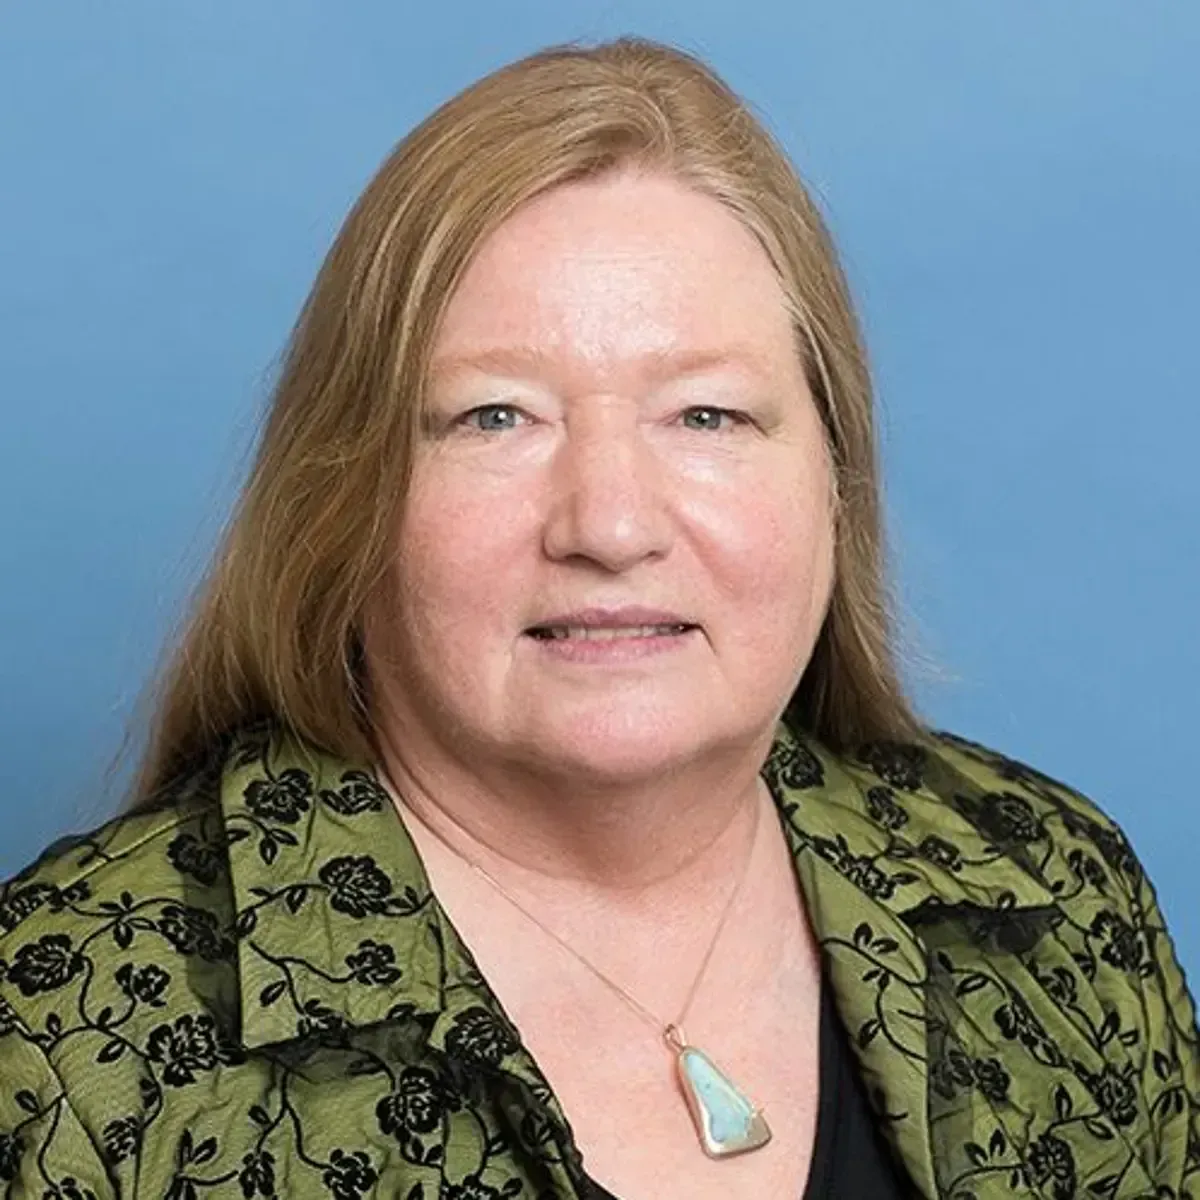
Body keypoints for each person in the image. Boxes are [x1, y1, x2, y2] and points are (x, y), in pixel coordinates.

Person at [1, 34, 1196, 1200]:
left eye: (707, 416)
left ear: (833, 482)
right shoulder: (59, 1043)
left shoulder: (1052, 894)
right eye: (496, 417)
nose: (612, 524)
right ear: (345, 497)